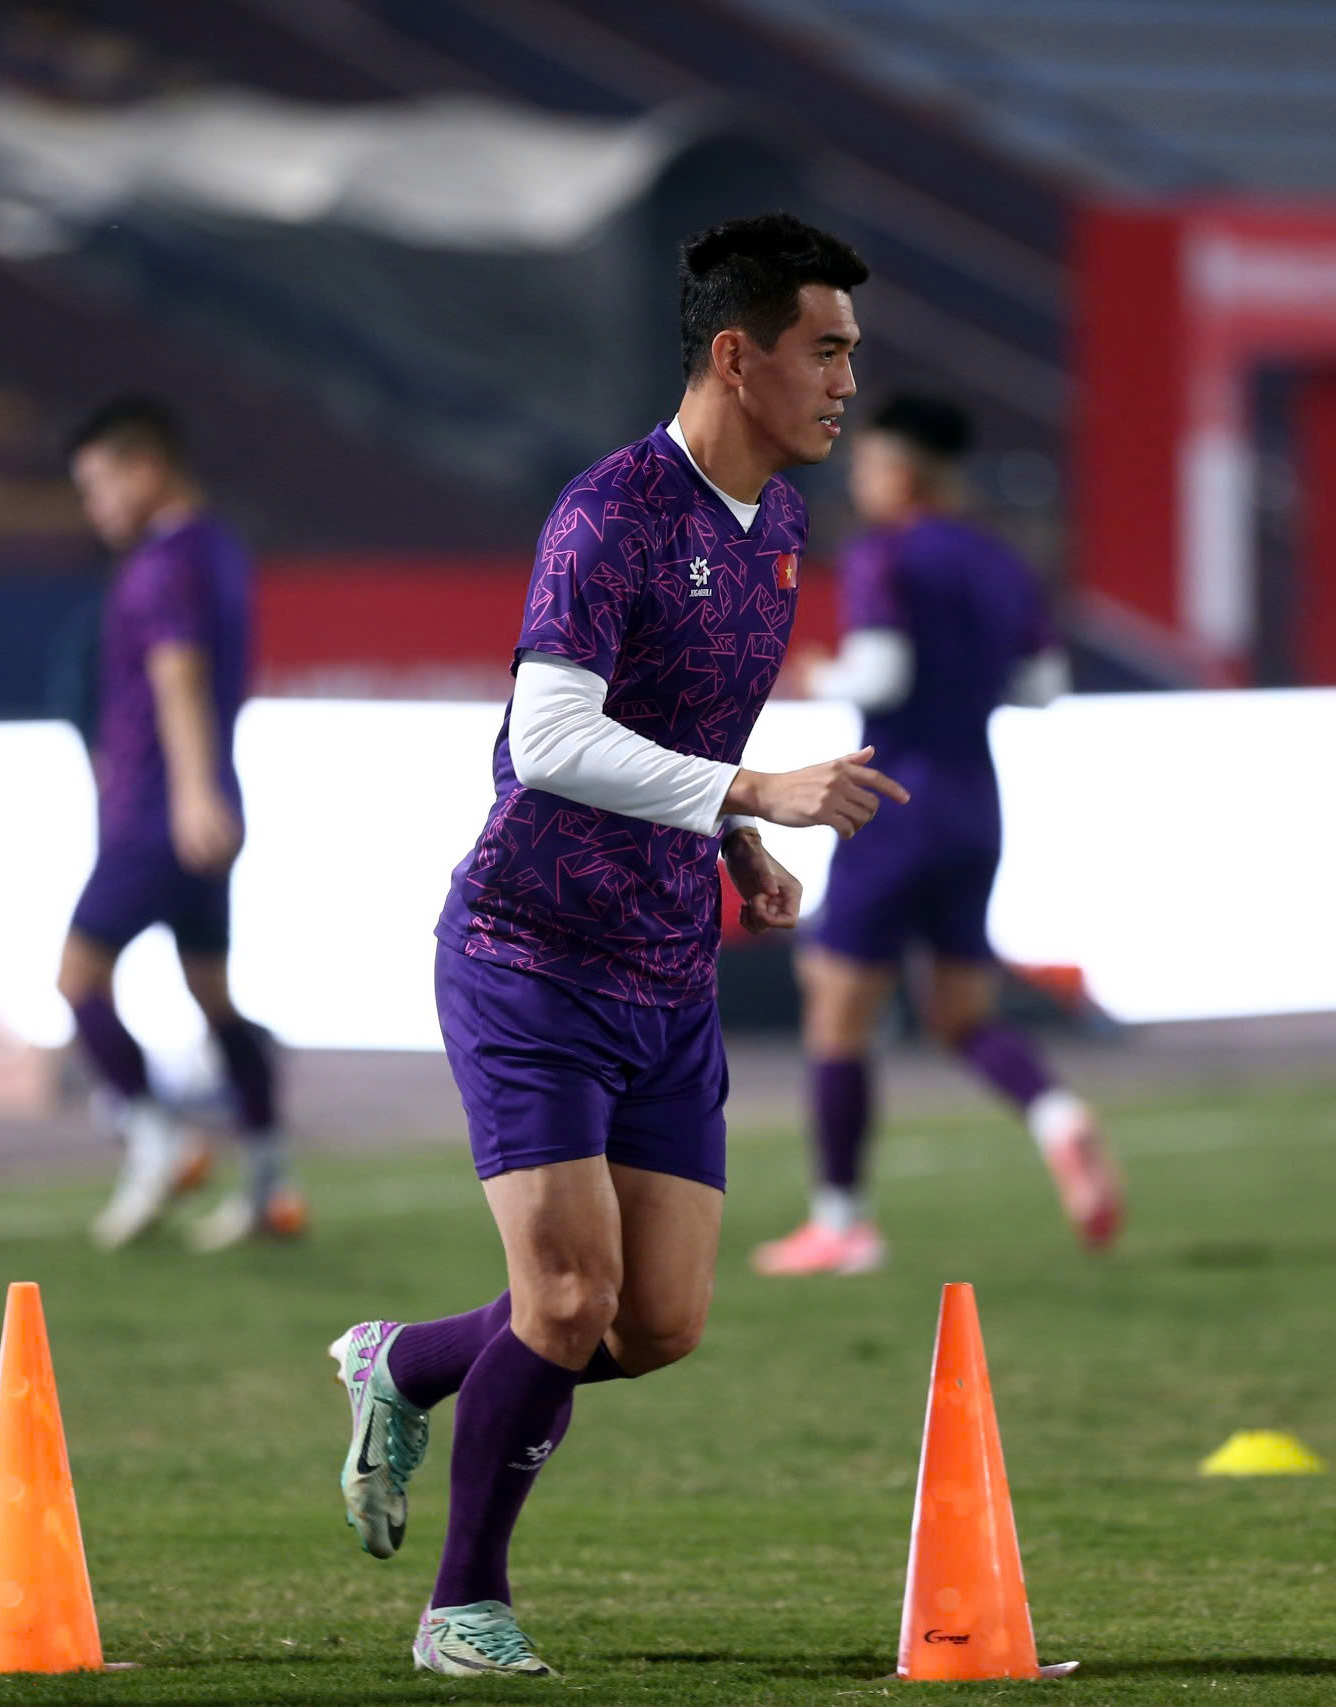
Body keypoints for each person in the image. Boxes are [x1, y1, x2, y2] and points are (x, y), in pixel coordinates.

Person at [326, 213, 906, 1677]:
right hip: (532, 953)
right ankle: (466, 1603)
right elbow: (549, 733)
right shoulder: (611, 512)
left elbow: (676, 726)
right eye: (825, 349)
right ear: (737, 352)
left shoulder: (775, 526)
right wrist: (757, 788)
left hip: (666, 963)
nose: (848, 382)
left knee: (650, 1325)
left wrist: (734, 840)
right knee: (568, 1296)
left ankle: (401, 1361)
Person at [751, 394, 1119, 1277]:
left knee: (838, 1008)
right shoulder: (1002, 560)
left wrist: (822, 672)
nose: (863, 484)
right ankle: (1058, 1118)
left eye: (871, 467)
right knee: (961, 1011)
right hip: (975, 801)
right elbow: (1040, 688)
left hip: (891, 799)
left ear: (903, 474)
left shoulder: (889, 553)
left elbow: (884, 666)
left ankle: (843, 1222)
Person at [57, 396, 300, 1252]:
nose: (95, 508)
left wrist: (192, 790)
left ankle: (158, 1140)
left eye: (98, 485)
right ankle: (269, 1180)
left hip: (156, 814)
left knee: (78, 979)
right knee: (212, 995)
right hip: (199, 806)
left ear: (144, 468)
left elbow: (178, 673)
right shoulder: (220, 550)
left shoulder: (160, 564)